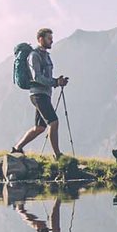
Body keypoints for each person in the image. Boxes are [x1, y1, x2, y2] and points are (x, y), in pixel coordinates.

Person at [12, 27, 69, 157]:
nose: (52, 41)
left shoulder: (46, 56)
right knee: (53, 122)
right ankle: (57, 155)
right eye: (49, 38)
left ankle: (17, 148)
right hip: (37, 94)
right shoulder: (34, 56)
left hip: (44, 94)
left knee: (40, 128)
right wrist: (55, 83)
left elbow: (46, 77)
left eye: (51, 38)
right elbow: (36, 77)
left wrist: (57, 81)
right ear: (40, 39)